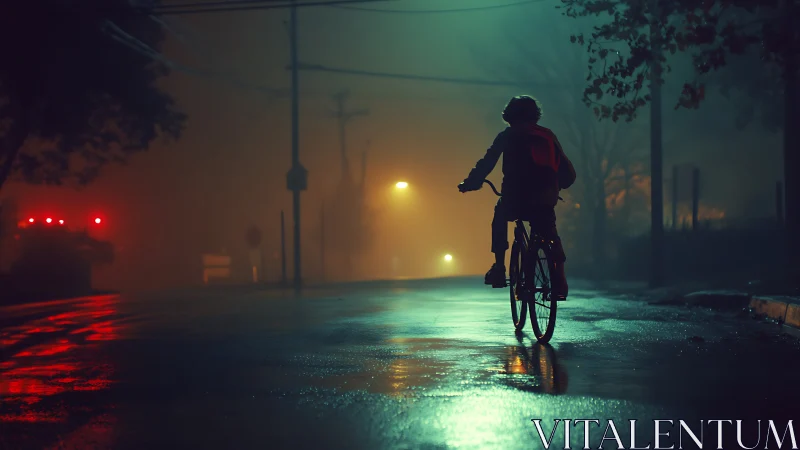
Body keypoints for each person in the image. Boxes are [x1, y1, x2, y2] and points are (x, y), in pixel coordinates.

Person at [458, 95, 576, 300]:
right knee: (550, 235)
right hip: (544, 198)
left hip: (515, 198)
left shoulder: (507, 135)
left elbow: (487, 162)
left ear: (509, 116)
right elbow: (566, 169)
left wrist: (471, 183)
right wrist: (558, 185)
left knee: (500, 215)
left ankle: (499, 267)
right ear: (535, 115)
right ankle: (560, 283)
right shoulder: (547, 135)